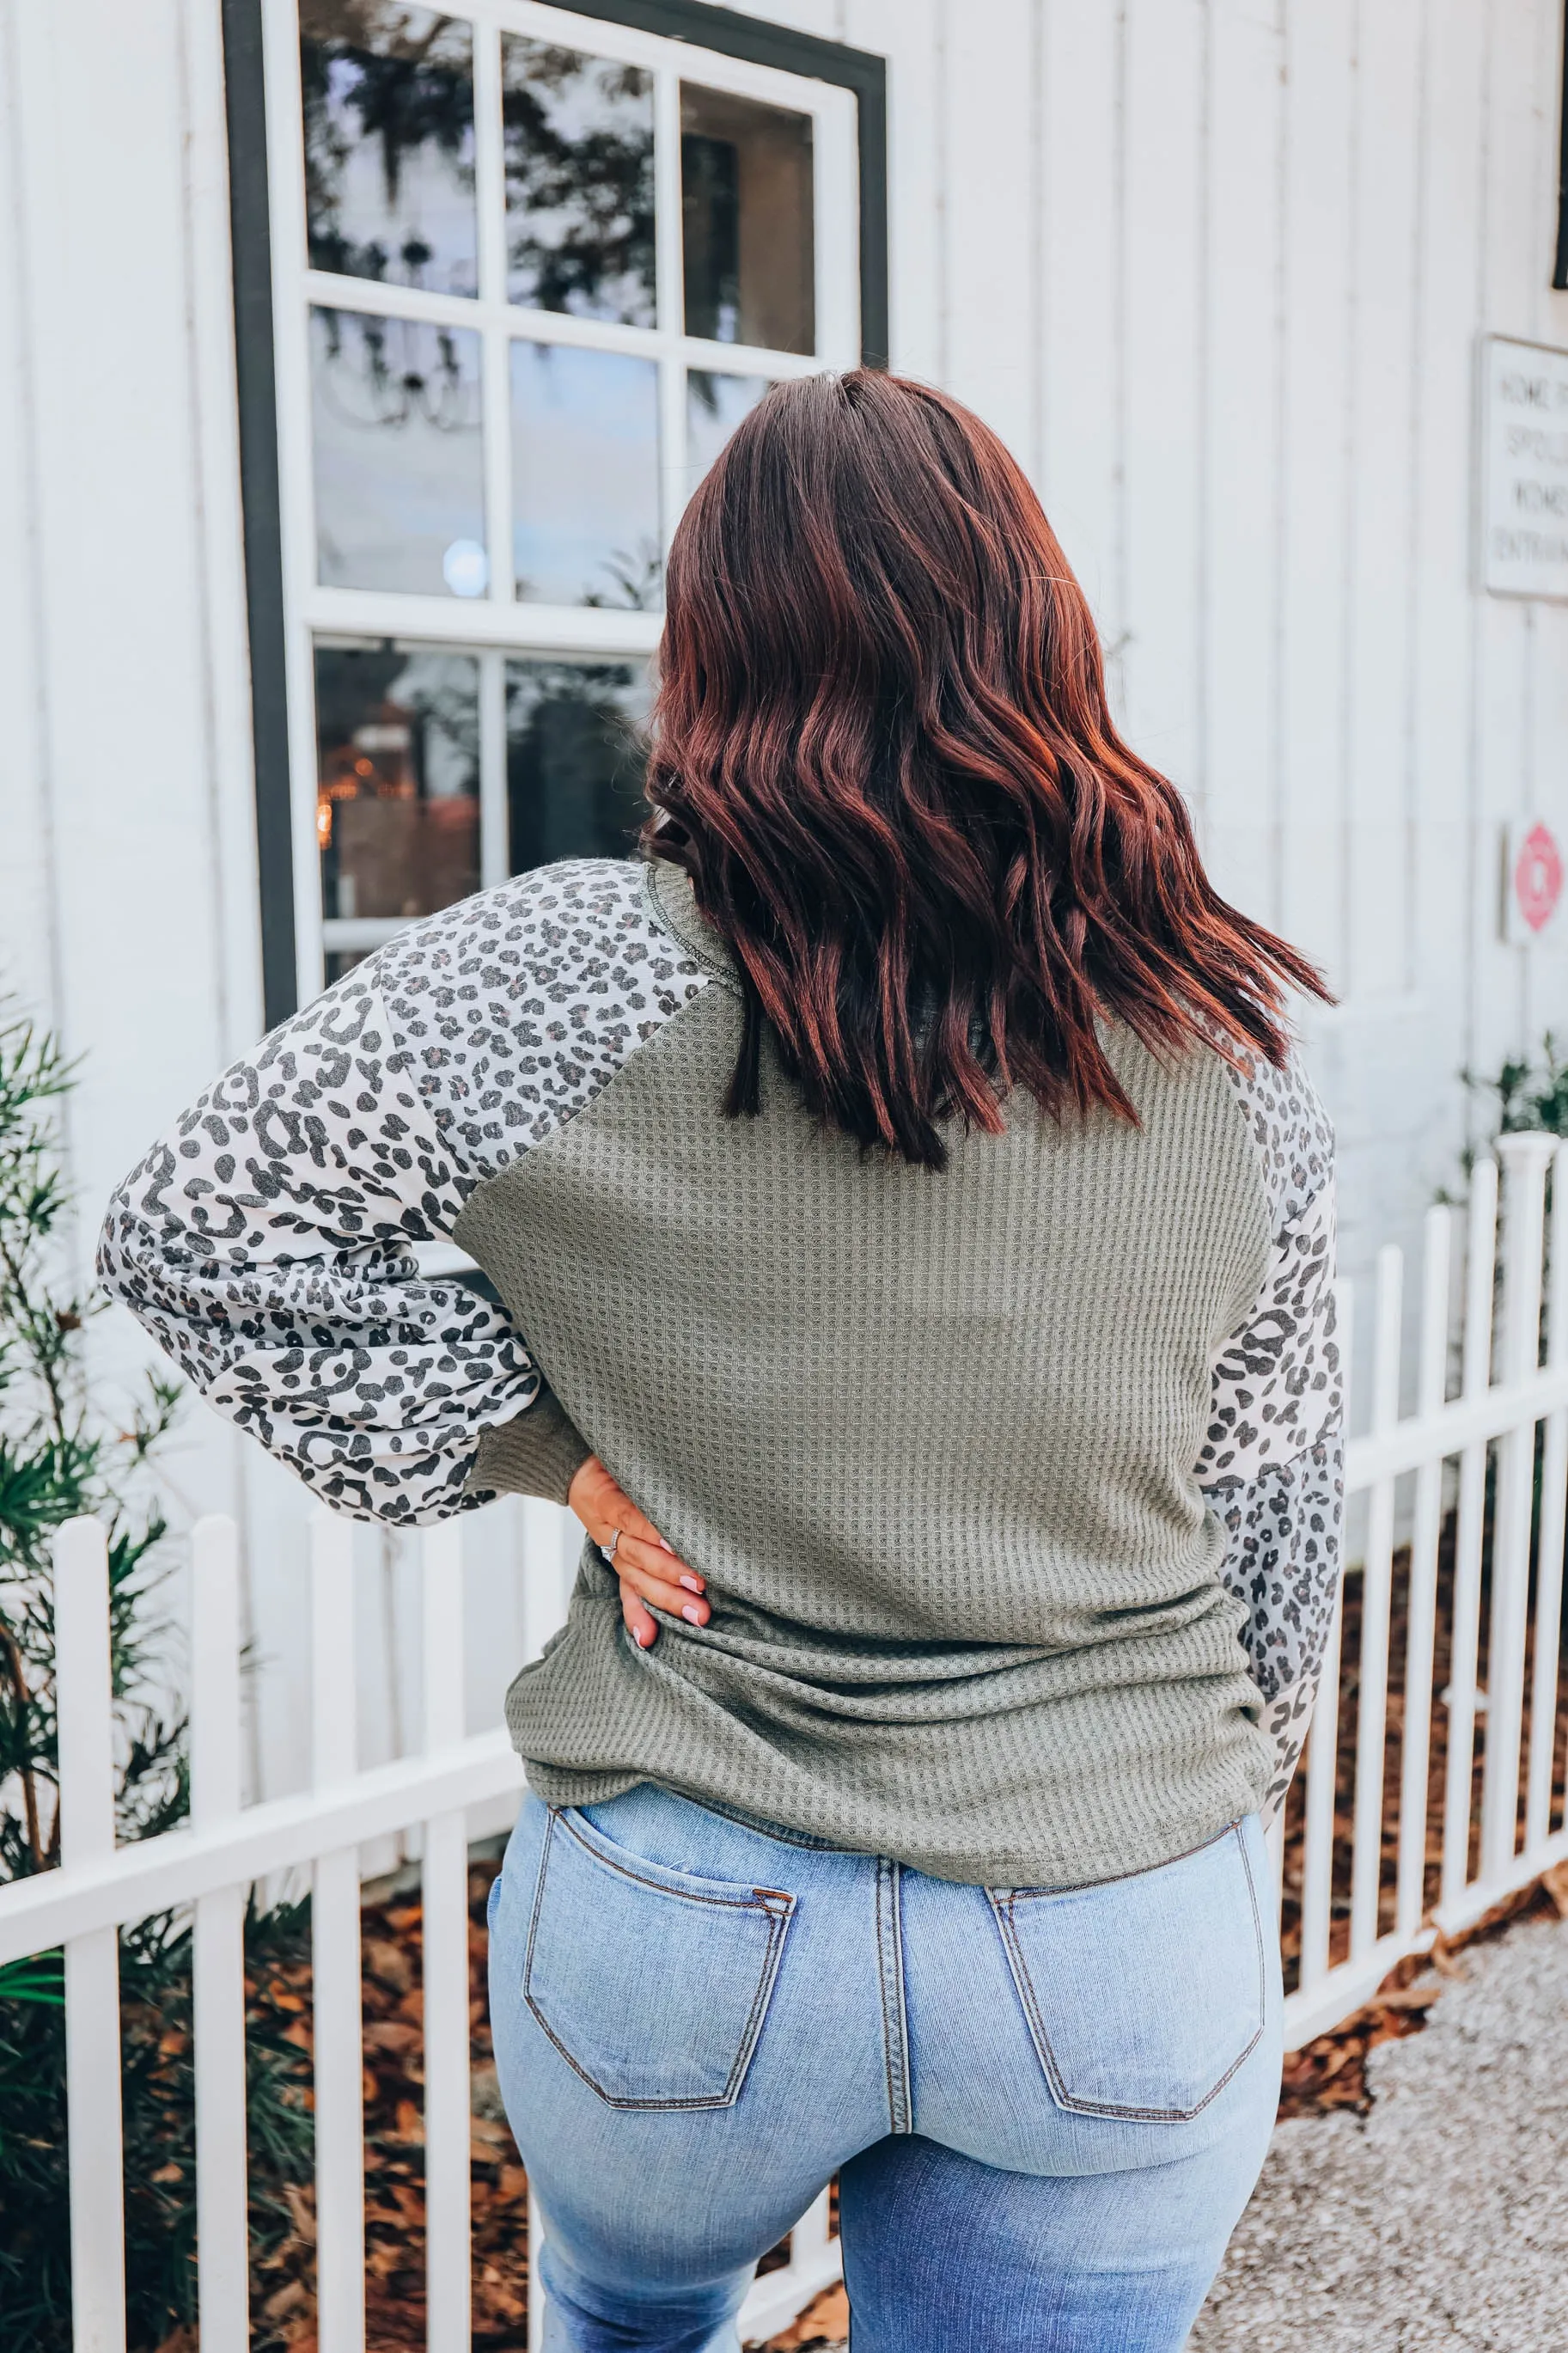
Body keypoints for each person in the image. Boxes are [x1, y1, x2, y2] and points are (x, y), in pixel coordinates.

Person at [101, 370, 1342, 2352]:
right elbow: (1275, 1550)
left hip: (689, 1917)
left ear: (709, 650)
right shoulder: (1214, 1042)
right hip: (1114, 1911)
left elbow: (196, 1230)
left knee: (626, 2319)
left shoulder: (560, 976)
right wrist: (1181, 1824)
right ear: (1040, 640)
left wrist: (544, 1450)